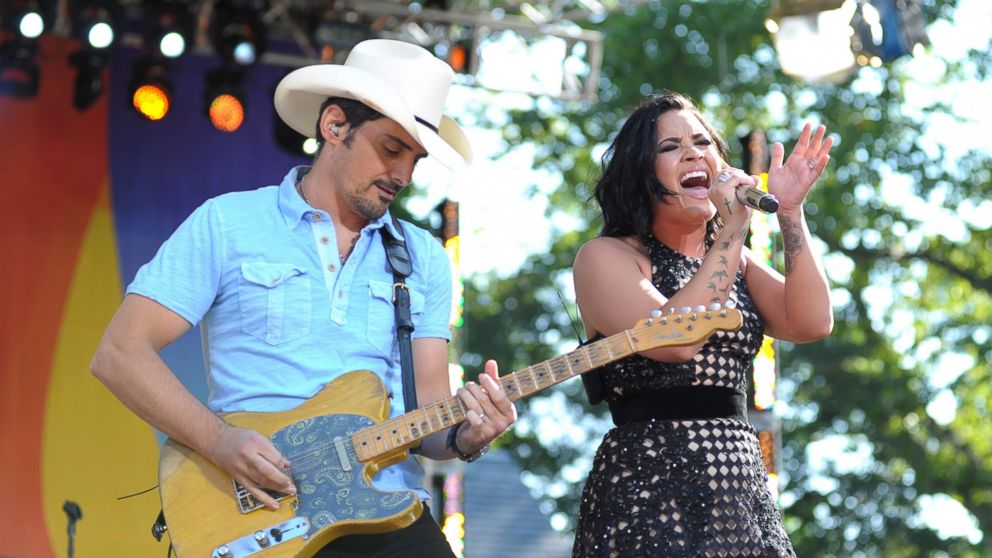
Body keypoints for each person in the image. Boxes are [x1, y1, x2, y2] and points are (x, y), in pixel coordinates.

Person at [90, 39, 516, 557]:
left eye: (415, 159)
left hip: (385, 508)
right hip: (260, 508)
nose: (402, 176)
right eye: (390, 149)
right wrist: (220, 442)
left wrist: (468, 438)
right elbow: (119, 354)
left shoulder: (422, 256)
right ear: (334, 126)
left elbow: (426, 416)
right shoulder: (226, 222)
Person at [570, 92, 834, 557]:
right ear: (641, 174)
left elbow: (811, 321)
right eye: (669, 147)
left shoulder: (739, 260)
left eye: (702, 142)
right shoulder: (607, 257)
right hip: (648, 493)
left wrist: (790, 212)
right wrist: (734, 229)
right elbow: (674, 341)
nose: (693, 153)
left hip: (738, 489)